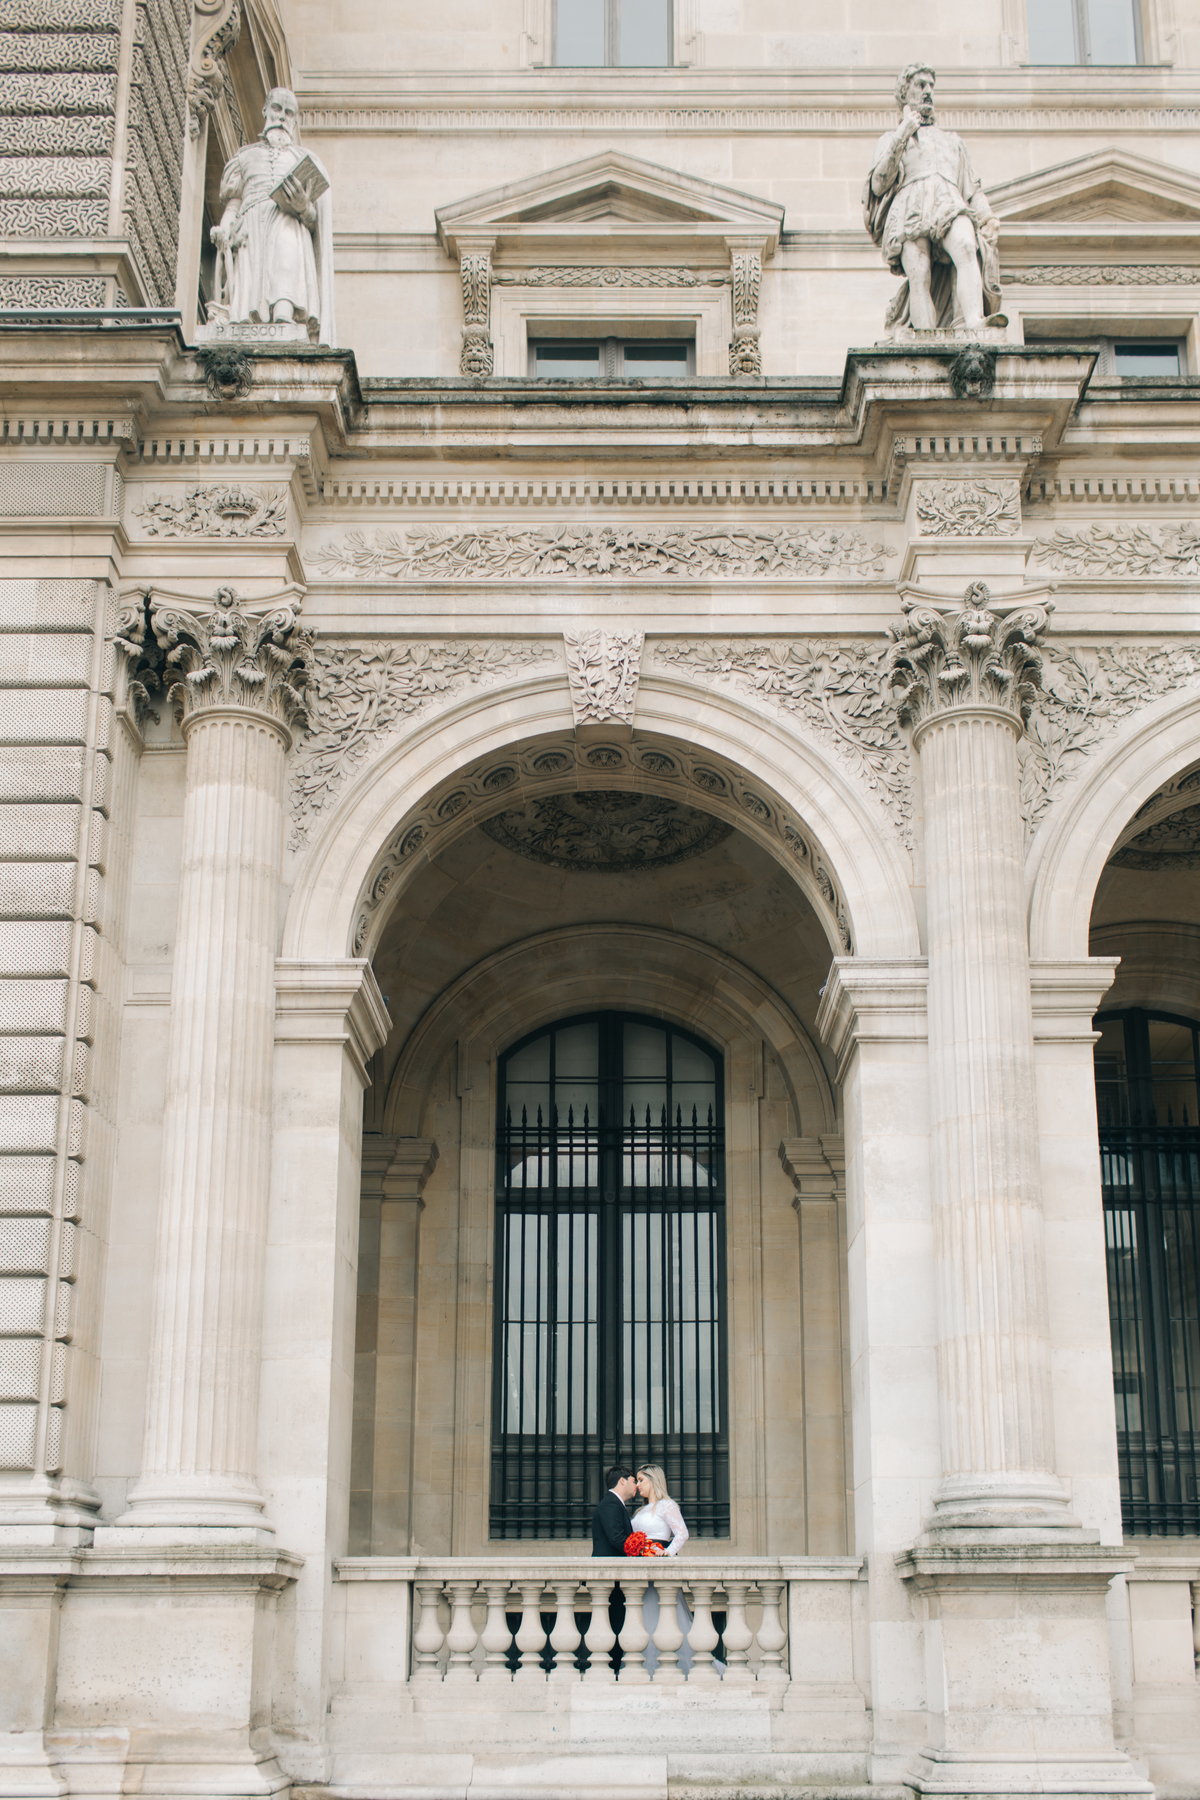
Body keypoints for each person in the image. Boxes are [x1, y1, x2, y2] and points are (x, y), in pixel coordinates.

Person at [863, 64, 1003, 335]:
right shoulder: (891, 139)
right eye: (920, 85)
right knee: (919, 272)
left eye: (931, 86)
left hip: (948, 200)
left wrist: (987, 217)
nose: (928, 91)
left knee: (965, 246)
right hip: (910, 206)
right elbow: (879, 184)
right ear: (904, 93)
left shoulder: (952, 141)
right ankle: (926, 337)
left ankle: (974, 321)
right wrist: (902, 135)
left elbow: (971, 188)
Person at [210, 88, 336, 344]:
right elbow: (234, 203)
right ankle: (248, 318)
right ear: (265, 110)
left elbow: (315, 223)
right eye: (277, 109)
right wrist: (224, 226)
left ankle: (283, 314)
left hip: (288, 220)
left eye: (289, 113)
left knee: (287, 248)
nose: (281, 117)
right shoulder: (245, 156)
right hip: (250, 226)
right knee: (252, 270)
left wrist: (303, 207)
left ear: (295, 121)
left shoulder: (305, 159)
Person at [631, 1463, 708, 1675]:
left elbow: (682, 1533)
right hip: (640, 1569)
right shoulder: (640, 1510)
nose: (637, 1485)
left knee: (662, 1612)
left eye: (641, 1480)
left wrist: (667, 1553)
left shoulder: (667, 1506)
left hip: (658, 1566)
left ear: (654, 1481)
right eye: (636, 1481)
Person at [591, 1464, 637, 1670]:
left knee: (617, 1622)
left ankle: (616, 1666)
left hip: (615, 1577)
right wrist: (643, 1551)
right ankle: (614, 1668)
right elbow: (618, 1539)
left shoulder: (615, 1504)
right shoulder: (611, 1504)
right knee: (615, 1623)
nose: (635, 1485)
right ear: (622, 1481)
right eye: (634, 1480)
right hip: (610, 1578)